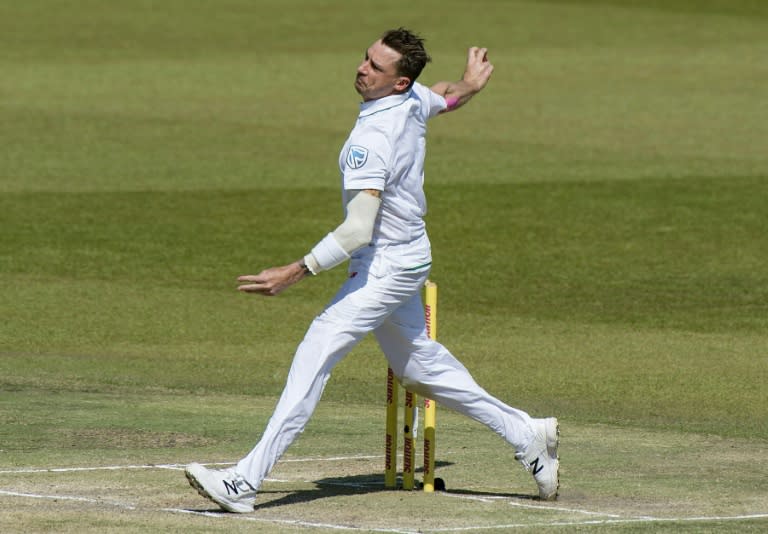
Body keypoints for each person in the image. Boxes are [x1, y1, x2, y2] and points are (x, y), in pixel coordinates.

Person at [185, 28, 559, 513]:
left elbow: (358, 228)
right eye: (365, 59)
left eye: (376, 68)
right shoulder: (412, 100)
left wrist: (295, 270)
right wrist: (468, 85)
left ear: (398, 83)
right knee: (418, 366)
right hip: (405, 255)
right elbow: (441, 97)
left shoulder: (372, 137)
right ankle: (525, 432)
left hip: (385, 265)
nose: (362, 69)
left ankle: (243, 481)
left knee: (317, 351)